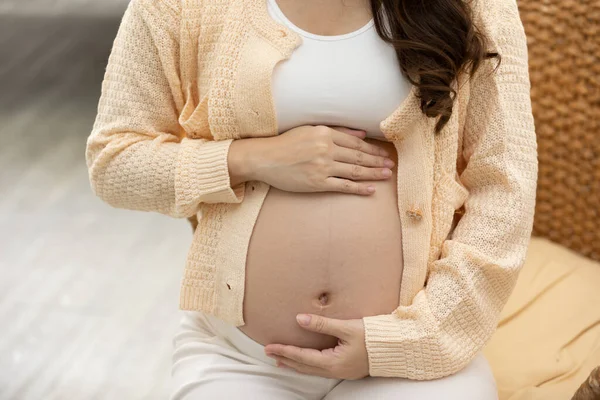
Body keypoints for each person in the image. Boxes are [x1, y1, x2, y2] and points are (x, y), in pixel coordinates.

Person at [85, 0, 538, 398]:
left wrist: (408, 340)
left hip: (411, 359)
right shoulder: (180, 6)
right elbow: (115, 163)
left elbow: (506, 186)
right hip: (244, 358)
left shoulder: (475, 5)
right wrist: (250, 159)